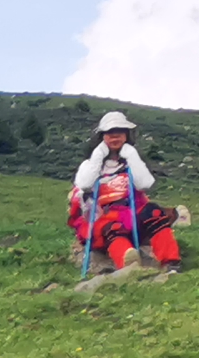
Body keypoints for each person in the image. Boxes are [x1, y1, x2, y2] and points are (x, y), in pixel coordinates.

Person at [68, 111, 179, 273]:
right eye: (110, 133)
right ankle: (129, 265)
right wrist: (98, 155)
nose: (115, 137)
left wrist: (131, 155)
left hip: (133, 213)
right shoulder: (89, 164)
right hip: (105, 216)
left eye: (120, 132)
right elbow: (84, 184)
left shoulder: (132, 162)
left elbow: (145, 184)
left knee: (154, 212)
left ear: (127, 135)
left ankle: (170, 263)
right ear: (102, 137)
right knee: (113, 228)